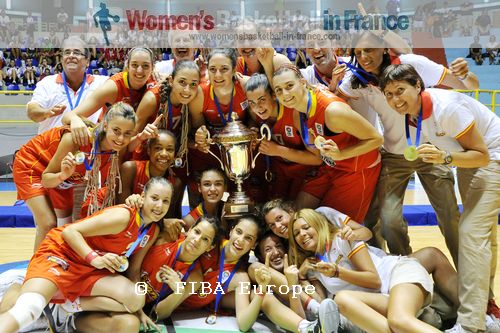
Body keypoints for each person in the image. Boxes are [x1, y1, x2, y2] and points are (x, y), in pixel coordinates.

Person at [336, 31, 479, 263]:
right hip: (393, 157)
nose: (363, 56)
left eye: (369, 49)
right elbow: (334, 101)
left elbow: (466, 85)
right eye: (358, 52)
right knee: (389, 221)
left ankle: (467, 280)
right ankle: (407, 274)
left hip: (431, 152)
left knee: (450, 218)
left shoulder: (412, 65)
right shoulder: (357, 80)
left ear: (384, 48)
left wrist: (466, 74)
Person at [379, 63, 500, 332]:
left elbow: (482, 154)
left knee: (470, 233)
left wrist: (446, 157)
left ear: (418, 86)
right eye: (389, 94)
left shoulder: (447, 108)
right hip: (470, 163)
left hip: (492, 159)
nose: (395, 100)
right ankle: (487, 311)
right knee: (484, 238)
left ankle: (471, 324)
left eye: (401, 90)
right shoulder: (413, 113)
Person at [0, 177, 172, 333]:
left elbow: (134, 271)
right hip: (64, 253)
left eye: (165, 201)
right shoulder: (123, 216)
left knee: (136, 298)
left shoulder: (151, 231)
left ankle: (65, 306)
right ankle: (26, 290)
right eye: (154, 198)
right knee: (29, 308)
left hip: (90, 269)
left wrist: (139, 312)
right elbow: (70, 231)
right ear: (142, 196)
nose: (159, 206)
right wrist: (94, 258)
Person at [289, 208, 440, 333]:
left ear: (318, 225)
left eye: (306, 227)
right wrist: (301, 277)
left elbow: (374, 281)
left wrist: (337, 272)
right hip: (380, 297)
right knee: (341, 301)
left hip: (398, 274)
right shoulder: (313, 266)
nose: (302, 234)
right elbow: (322, 305)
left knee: (399, 320)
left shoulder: (342, 238)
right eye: (296, 234)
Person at [180, 214, 339, 333]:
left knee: (260, 291)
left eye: (248, 238)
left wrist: (262, 290)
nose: (241, 240)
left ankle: (309, 327)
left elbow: (243, 324)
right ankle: (314, 309)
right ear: (231, 230)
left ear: (254, 244)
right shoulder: (208, 243)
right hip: (178, 298)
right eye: (239, 232)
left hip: (212, 299)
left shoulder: (241, 275)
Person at [13, 102, 135, 250]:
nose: (121, 138)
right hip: (32, 165)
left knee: (66, 225)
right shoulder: (75, 139)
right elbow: (46, 179)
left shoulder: (115, 149)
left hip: (64, 176)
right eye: (116, 130)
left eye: (127, 133)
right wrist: (63, 175)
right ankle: (35, 270)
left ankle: (56, 262)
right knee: (48, 223)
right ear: (105, 126)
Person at [271, 65, 383, 222]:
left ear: (303, 83)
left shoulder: (333, 111)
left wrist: (341, 154)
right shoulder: (298, 113)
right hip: (330, 166)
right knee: (298, 215)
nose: (285, 94)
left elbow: (377, 139)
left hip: (357, 168)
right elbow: (317, 154)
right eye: (279, 90)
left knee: (334, 226)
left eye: (289, 86)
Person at [133, 60, 202, 214]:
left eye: (193, 84)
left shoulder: (191, 100)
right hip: (145, 158)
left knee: (172, 209)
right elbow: (131, 136)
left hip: (172, 158)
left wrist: (198, 142)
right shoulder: (153, 99)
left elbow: (186, 137)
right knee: (140, 207)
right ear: (171, 81)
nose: (187, 89)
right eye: (182, 82)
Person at [244, 73, 322, 200]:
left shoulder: (294, 113)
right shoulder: (255, 113)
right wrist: (254, 132)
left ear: (274, 95)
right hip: (281, 173)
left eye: (262, 100)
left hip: (308, 174)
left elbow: (317, 159)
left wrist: (277, 150)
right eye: (252, 103)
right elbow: (253, 122)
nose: (257, 107)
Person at [62, 47, 156, 147]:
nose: (140, 70)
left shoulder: (155, 81)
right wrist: (74, 119)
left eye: (146, 66)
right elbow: (67, 117)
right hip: (110, 141)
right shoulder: (112, 87)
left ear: (152, 68)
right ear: (127, 66)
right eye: (134, 65)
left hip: (135, 140)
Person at [140, 216, 222, 325]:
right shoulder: (165, 237)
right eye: (197, 232)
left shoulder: (195, 278)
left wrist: (178, 292)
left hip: (141, 311)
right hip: (125, 286)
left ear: (210, 247)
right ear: (190, 229)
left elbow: (159, 314)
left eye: (205, 239)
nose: (197, 240)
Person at [27, 36, 109, 134]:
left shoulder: (102, 83)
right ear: (62, 60)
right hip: (52, 147)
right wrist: (46, 112)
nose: (71, 55)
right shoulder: (47, 83)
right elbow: (32, 111)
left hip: (87, 147)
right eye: (67, 52)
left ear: (87, 61)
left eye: (77, 52)